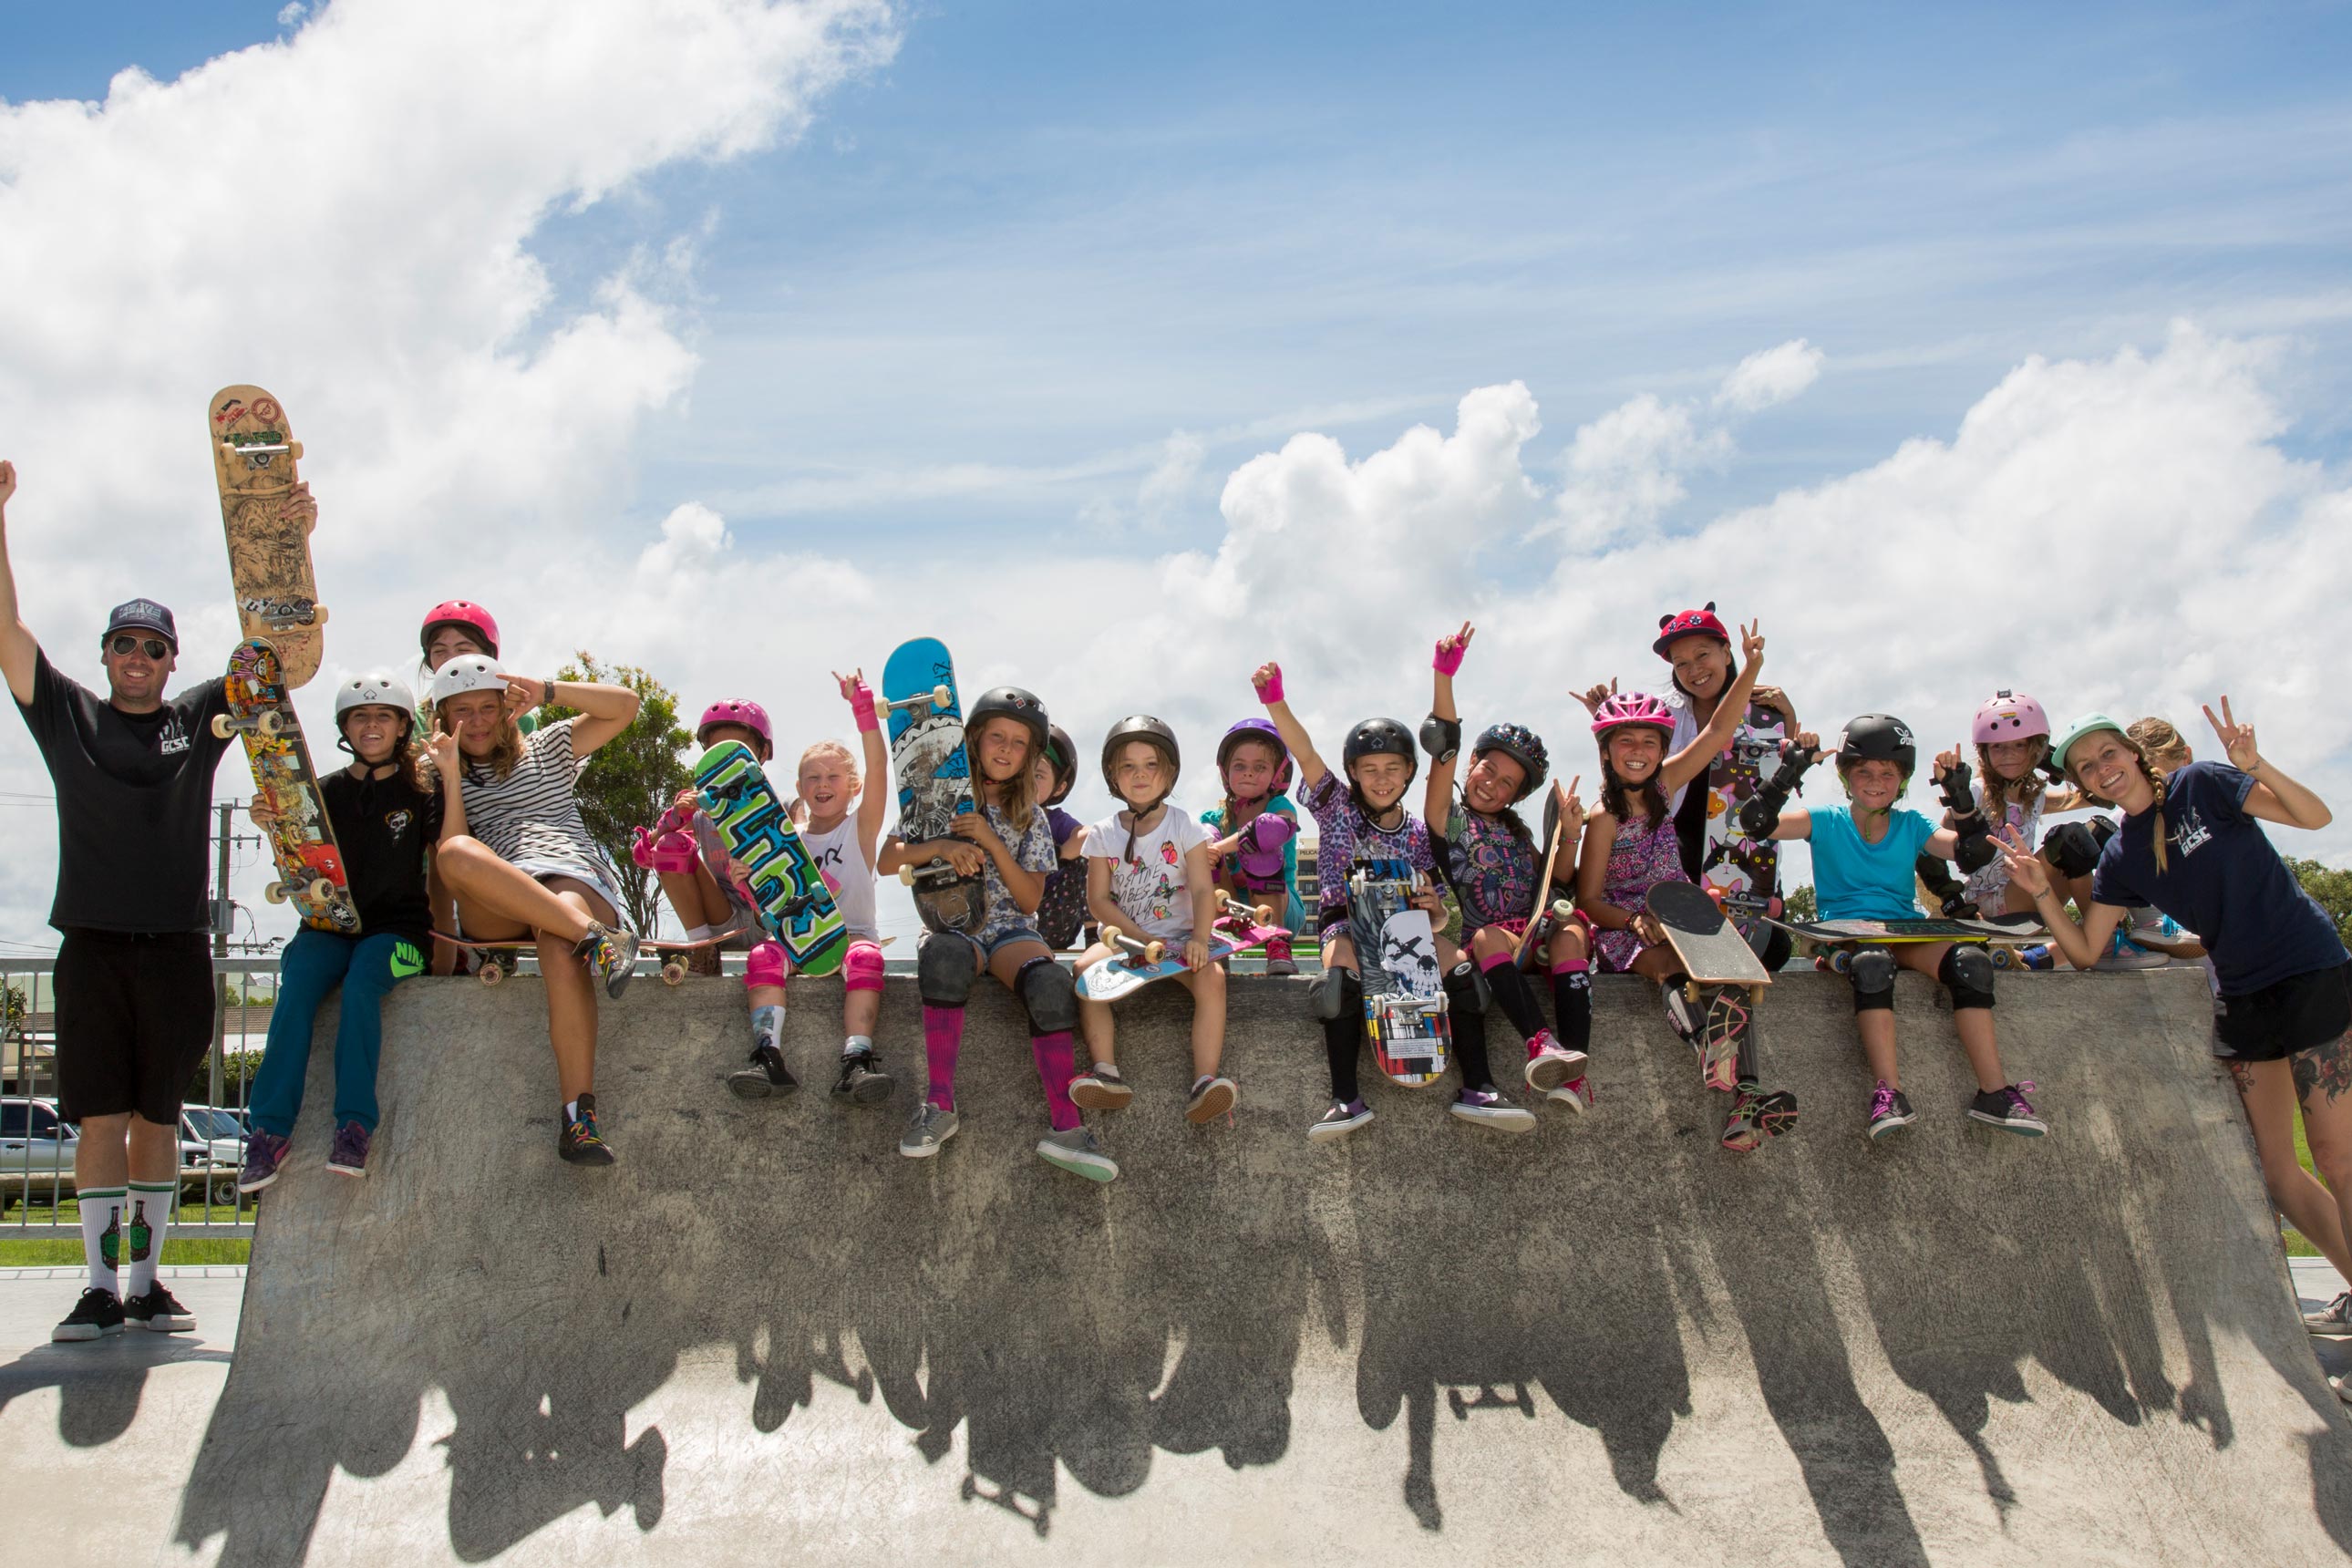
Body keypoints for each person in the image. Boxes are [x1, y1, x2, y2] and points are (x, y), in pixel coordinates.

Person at [2006, 707, 2352, 1359]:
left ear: (2134, 755)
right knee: (2280, 1172)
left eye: (2110, 754)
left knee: (2337, 1158)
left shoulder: (2205, 784)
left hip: (2308, 969)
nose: (2103, 769)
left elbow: (2316, 819)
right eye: (2087, 767)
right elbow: (2084, 951)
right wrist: (2041, 893)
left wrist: (2256, 766)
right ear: (2082, 783)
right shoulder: (2120, 855)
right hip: (2244, 995)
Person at [2, 458, 235, 1341]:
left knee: (159, 1121)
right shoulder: (68, 715)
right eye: (124, 644)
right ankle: (99, 1288)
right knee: (101, 1120)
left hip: (177, 947)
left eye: (155, 647)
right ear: (104, 654)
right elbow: (7, 628)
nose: (139, 658)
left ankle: (148, 1283)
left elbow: (278, 662)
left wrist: (286, 543)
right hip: (92, 947)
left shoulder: (202, 715)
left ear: (174, 661)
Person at [1253, 659, 1534, 1140]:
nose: (1381, 779)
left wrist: (1437, 909)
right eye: (1369, 770)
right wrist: (1275, 700)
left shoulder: (1421, 833)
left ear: (1408, 772)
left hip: (1406, 930)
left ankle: (1480, 1088)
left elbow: (1439, 908)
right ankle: (1345, 1098)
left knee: (1465, 973)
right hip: (1346, 921)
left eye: (1392, 769)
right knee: (1338, 983)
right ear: (1353, 773)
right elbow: (1304, 752)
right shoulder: (1336, 805)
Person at [1746, 714, 2046, 1140]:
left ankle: (1995, 1093)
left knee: (1971, 963)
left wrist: (1959, 797)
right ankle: (1888, 1093)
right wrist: (1789, 771)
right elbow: (1757, 824)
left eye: (1887, 773)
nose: (1875, 781)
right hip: (1848, 932)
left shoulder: (1911, 825)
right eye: (1863, 771)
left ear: (1902, 780)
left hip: (1904, 929)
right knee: (1871, 964)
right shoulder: (1824, 819)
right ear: (1846, 776)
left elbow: (1972, 855)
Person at [878, 686, 1112, 1181]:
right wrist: (940, 846)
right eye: (997, 737)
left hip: (1010, 928)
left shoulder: (1034, 817)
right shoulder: (935, 796)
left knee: (1050, 984)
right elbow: (887, 859)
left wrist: (988, 840)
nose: (1006, 749)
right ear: (976, 739)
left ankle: (1067, 1128)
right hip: (954, 924)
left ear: (1030, 756)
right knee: (942, 957)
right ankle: (939, 1103)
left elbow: (1030, 900)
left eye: (1019, 743)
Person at [239, 672, 460, 1189]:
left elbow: (451, 860)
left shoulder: (421, 791)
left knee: (362, 984)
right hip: (329, 928)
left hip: (402, 938)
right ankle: (269, 1133)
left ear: (404, 725)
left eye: (384, 714)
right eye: (360, 716)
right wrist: (273, 825)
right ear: (345, 726)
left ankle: (355, 1126)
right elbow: (302, 870)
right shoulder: (323, 794)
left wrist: (449, 780)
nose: (372, 724)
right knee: (296, 988)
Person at [423, 654, 644, 1164]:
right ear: (442, 718)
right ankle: (600, 941)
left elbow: (625, 707)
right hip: (499, 899)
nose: (476, 721)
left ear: (506, 707)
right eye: (462, 711)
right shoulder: (436, 768)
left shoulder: (546, 747)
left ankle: (578, 1120)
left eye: (487, 707)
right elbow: (452, 860)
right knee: (455, 851)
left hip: (570, 873)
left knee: (560, 934)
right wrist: (452, 778)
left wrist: (545, 689)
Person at [1575, 624, 1789, 1151]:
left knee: (1732, 973)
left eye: (1650, 741)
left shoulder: (1666, 786)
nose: (1639, 751)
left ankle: (1747, 1098)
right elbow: (1588, 900)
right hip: (1628, 925)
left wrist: (1752, 668)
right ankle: (1707, 1045)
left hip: (1680, 911)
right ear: (1606, 751)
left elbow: (1718, 732)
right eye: (1626, 742)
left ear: (1664, 748)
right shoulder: (1603, 819)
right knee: (1669, 968)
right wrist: (1631, 922)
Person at [1419, 623, 1593, 1103]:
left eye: (1507, 784)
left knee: (1573, 931)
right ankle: (1541, 1041)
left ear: (1517, 795)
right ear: (1472, 761)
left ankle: (1573, 1071)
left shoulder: (1518, 832)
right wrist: (1444, 676)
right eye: (1487, 769)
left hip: (1536, 934)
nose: (1492, 785)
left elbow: (1556, 883)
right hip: (1494, 945)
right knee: (1485, 935)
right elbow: (1442, 749)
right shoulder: (1447, 819)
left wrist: (1570, 835)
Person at [1070, 717, 1238, 1123]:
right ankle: (1106, 1072)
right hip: (1128, 942)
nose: (1140, 775)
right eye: (1128, 766)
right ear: (1113, 775)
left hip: (1180, 940)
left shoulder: (1185, 826)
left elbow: (1201, 890)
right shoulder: (1102, 834)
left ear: (1169, 772)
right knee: (1082, 970)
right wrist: (1139, 939)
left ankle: (1204, 1081)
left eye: (1151, 765)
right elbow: (1098, 901)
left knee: (1212, 978)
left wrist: (1200, 938)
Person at [1651, 603, 1800, 970]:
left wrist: (1790, 718)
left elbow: (1781, 774)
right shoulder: (1663, 713)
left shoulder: (1762, 707)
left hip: (1744, 850)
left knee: (1773, 947)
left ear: (1726, 651)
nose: (1693, 670)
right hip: (1679, 849)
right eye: (1680, 663)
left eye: (1702, 655)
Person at [784, 673, 894, 1101]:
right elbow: (773, 906)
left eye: (833, 777)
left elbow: (879, 766)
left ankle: (857, 1060)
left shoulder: (860, 830)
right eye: (813, 778)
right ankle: (764, 1053)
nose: (823, 785)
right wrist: (745, 880)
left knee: (867, 958)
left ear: (854, 787)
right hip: (801, 943)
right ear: (799, 789)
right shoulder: (784, 839)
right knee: (760, 959)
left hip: (852, 939)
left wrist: (862, 707)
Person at [637, 697, 774, 983]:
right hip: (720, 917)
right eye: (716, 753)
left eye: (737, 753)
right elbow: (645, 857)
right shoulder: (699, 810)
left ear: (762, 753)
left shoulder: (783, 805)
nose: (726, 764)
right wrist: (674, 819)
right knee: (670, 845)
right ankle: (702, 950)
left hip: (766, 915)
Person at [1202, 717, 1305, 975]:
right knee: (1203, 839)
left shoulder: (1279, 806)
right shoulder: (1215, 818)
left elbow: (1273, 828)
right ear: (1226, 772)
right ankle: (1217, 942)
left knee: (1261, 843)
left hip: (1282, 909)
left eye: (1259, 766)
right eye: (1240, 766)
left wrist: (1221, 848)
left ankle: (1277, 944)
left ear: (1278, 775)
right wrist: (1208, 847)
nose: (1248, 772)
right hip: (1234, 905)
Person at [1033, 723, 1091, 951]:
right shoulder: (994, 816)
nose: (1027, 780)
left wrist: (1055, 856)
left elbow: (1087, 836)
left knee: (1085, 857)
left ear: (1058, 788)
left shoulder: (1054, 820)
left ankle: (1093, 935)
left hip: (1049, 916)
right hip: (1005, 915)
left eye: (1038, 775)